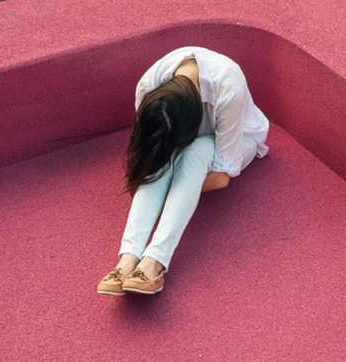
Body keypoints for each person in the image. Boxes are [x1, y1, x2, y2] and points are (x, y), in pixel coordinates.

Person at [97, 46, 270, 296]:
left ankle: (154, 260)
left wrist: (173, 185)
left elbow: (221, 178)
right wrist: (160, 172)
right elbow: (149, 153)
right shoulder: (149, 87)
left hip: (241, 138)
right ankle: (127, 258)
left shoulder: (228, 86)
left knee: (195, 151)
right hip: (191, 140)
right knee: (157, 162)